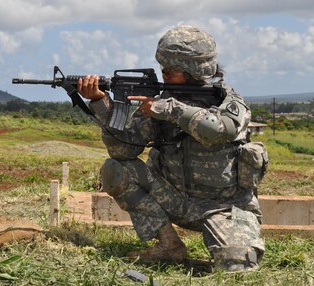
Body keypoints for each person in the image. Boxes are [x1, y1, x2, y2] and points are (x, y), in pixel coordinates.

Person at [77, 25, 265, 272]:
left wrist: (168, 109)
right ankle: (169, 246)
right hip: (175, 200)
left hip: (225, 207)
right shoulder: (159, 101)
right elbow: (123, 152)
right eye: (163, 68)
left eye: (172, 70)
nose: (165, 74)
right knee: (116, 169)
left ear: (195, 70)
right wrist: (100, 103)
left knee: (237, 267)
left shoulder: (228, 101)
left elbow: (221, 130)